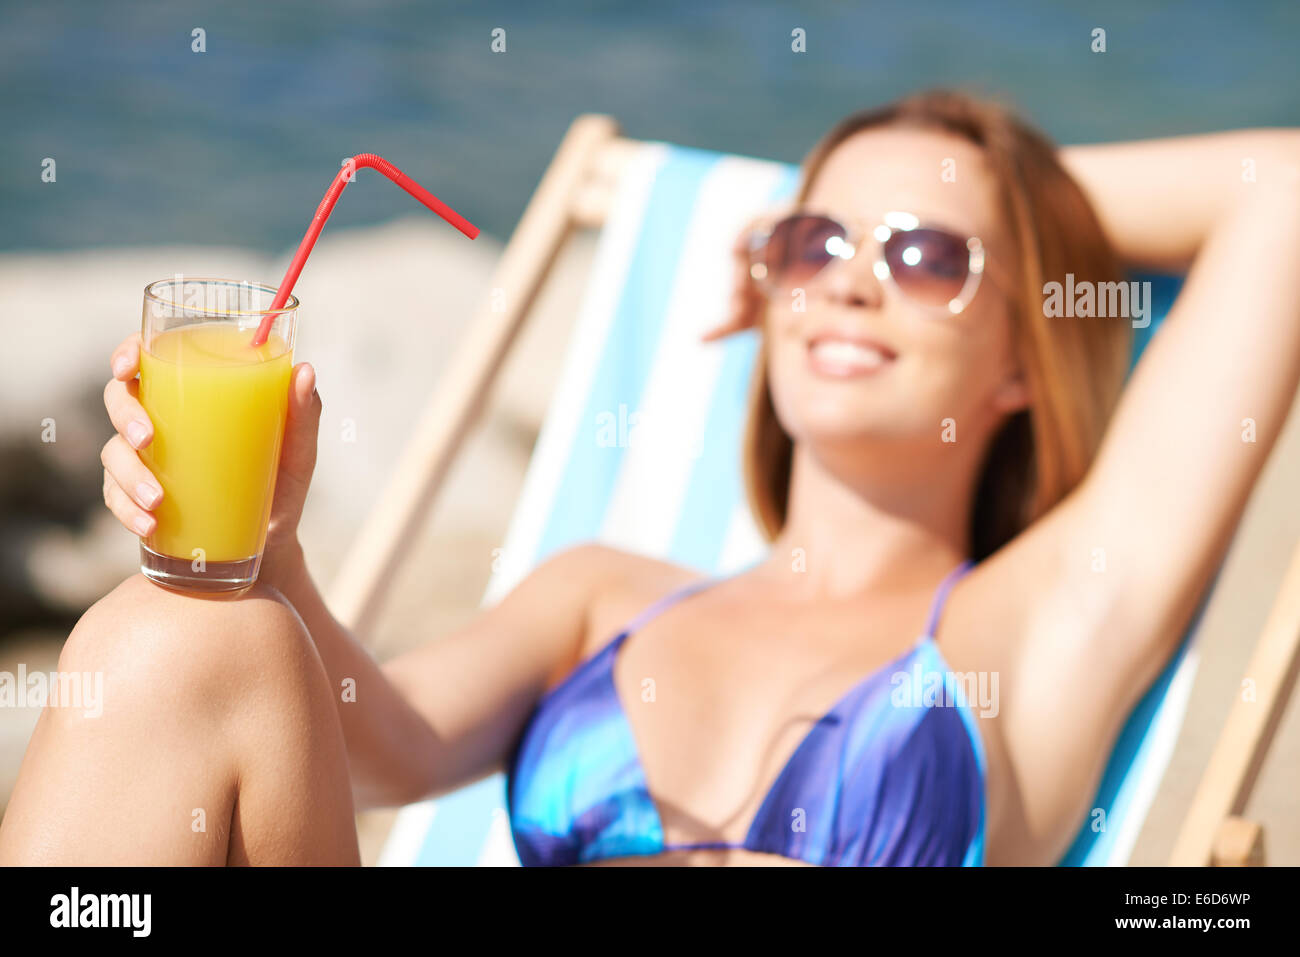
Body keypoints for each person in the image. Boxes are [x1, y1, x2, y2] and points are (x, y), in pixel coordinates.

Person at [3, 90, 1298, 866]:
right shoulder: (601, 596)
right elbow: (354, 746)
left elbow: (1282, 192)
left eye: (920, 256)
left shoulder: (1050, 616)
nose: (848, 274)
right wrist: (271, 548)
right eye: (808, 240)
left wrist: (1018, 216)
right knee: (176, 639)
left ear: (1023, 358)